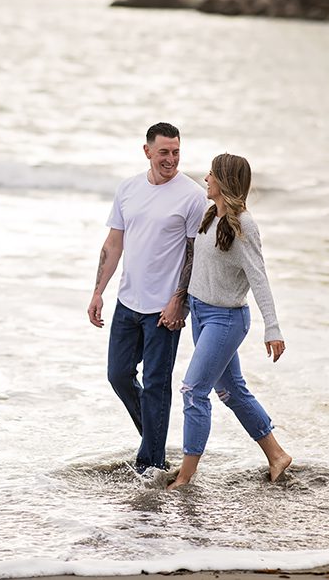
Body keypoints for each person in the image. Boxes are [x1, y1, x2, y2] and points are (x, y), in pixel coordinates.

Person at [88, 122, 207, 474]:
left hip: (163, 308)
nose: (170, 159)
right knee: (118, 375)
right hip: (128, 302)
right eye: (163, 152)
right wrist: (98, 292)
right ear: (147, 152)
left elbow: (194, 254)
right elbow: (113, 243)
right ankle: (152, 443)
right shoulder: (128, 189)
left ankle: (150, 465)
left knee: (157, 383)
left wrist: (179, 300)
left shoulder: (191, 196)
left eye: (176, 152)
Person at [167, 153, 291, 489]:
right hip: (201, 315)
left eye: (211, 173)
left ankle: (186, 476)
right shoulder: (210, 216)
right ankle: (277, 455)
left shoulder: (244, 225)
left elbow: (259, 277)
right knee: (232, 391)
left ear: (224, 181)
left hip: (226, 320)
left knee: (194, 391)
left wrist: (273, 327)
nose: (205, 178)